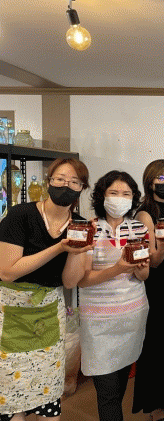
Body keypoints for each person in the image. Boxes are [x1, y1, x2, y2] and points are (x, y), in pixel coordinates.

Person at [0, 158, 92, 421]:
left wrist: (78, 251)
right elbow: (7, 271)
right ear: (49, 181)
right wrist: (60, 247)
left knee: (48, 392)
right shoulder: (21, 215)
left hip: (49, 313)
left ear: (82, 188)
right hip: (12, 311)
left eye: (74, 182)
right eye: (60, 179)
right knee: (11, 395)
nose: (66, 186)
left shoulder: (80, 224)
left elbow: (70, 282)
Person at [73, 171, 150, 421]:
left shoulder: (138, 228)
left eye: (126, 194)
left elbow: (144, 275)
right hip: (99, 322)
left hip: (131, 317)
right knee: (107, 392)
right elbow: (83, 280)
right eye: (114, 193)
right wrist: (117, 268)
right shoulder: (90, 228)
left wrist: (139, 268)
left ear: (133, 198)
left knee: (119, 386)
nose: (120, 198)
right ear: (102, 196)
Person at [132, 159, 164, 421]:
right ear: (150, 181)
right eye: (161, 178)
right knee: (154, 342)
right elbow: (152, 261)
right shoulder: (144, 214)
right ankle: (153, 405)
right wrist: (163, 247)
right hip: (155, 284)